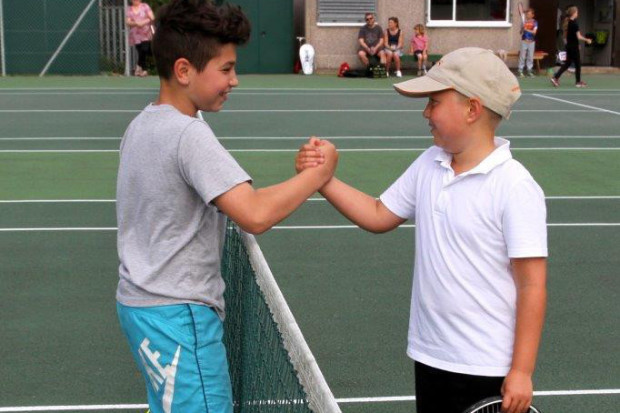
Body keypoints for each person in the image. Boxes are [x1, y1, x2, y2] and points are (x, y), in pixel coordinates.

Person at [115, 1, 338, 412]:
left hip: (140, 305)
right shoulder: (188, 135)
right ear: (184, 71)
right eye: (226, 69)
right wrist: (318, 175)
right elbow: (253, 213)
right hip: (179, 316)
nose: (234, 80)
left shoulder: (142, 124)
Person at [297, 47, 547, 413]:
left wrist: (522, 370)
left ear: (472, 109)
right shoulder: (430, 163)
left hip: (487, 367)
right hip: (431, 355)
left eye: (433, 103)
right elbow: (379, 213)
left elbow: (532, 284)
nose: (425, 113)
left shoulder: (515, 186)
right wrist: (322, 179)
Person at [551, 6, 592, 88]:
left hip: (569, 47)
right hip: (573, 48)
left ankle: (555, 77)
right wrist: (587, 40)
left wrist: (577, 44)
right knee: (578, 65)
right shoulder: (574, 24)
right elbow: (579, 36)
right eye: (577, 12)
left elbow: (570, 37)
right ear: (573, 13)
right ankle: (578, 82)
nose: (577, 13)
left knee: (567, 64)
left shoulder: (569, 22)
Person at [126, 0, 155, 77]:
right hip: (135, 35)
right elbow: (128, 22)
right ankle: (141, 69)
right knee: (141, 52)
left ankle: (141, 68)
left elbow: (152, 17)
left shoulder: (145, 6)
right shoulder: (129, 9)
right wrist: (136, 23)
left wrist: (143, 22)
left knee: (144, 49)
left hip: (146, 33)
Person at [518, 8, 538, 78]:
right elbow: (520, 32)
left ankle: (529, 71)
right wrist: (522, 29)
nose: (528, 16)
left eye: (529, 14)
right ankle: (520, 71)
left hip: (531, 42)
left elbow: (534, 32)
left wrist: (526, 29)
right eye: (527, 14)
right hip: (524, 41)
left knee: (530, 57)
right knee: (522, 56)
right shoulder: (524, 22)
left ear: (533, 15)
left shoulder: (535, 22)